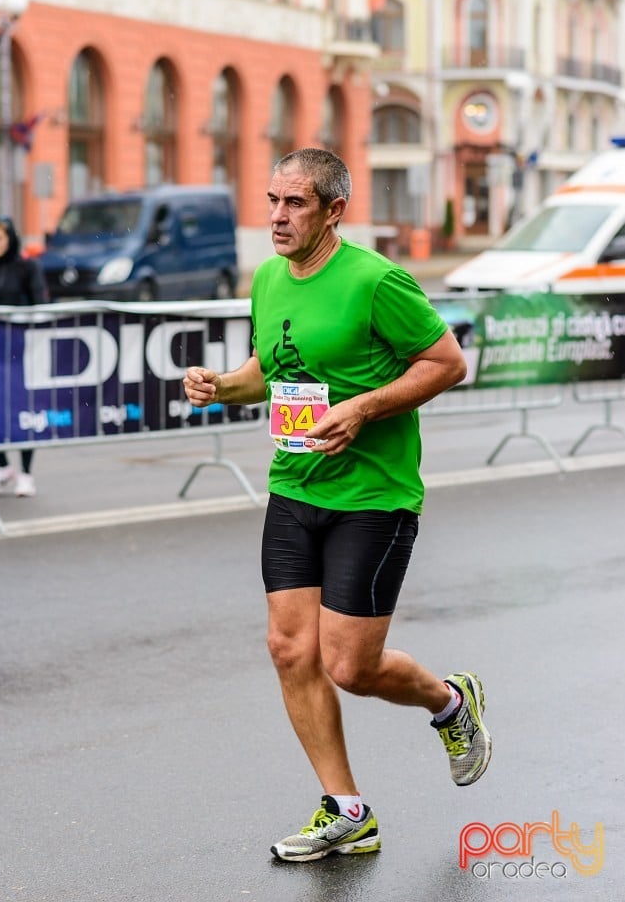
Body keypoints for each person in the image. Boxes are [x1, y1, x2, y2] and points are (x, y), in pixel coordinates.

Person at [183, 148, 492, 862]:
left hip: (373, 495)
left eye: (294, 204)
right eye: (271, 201)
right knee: (289, 650)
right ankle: (347, 810)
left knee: (350, 667)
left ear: (333, 210)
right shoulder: (266, 277)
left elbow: (447, 362)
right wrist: (222, 385)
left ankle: (450, 703)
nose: (276, 216)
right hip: (294, 487)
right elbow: (273, 367)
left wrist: (361, 409)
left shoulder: (375, 280)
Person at [0, 215, 47, 498]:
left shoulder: (27, 268)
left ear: (10, 239)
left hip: (19, 352)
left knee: (20, 411)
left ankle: (25, 473)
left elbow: (41, 305)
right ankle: (1, 467)